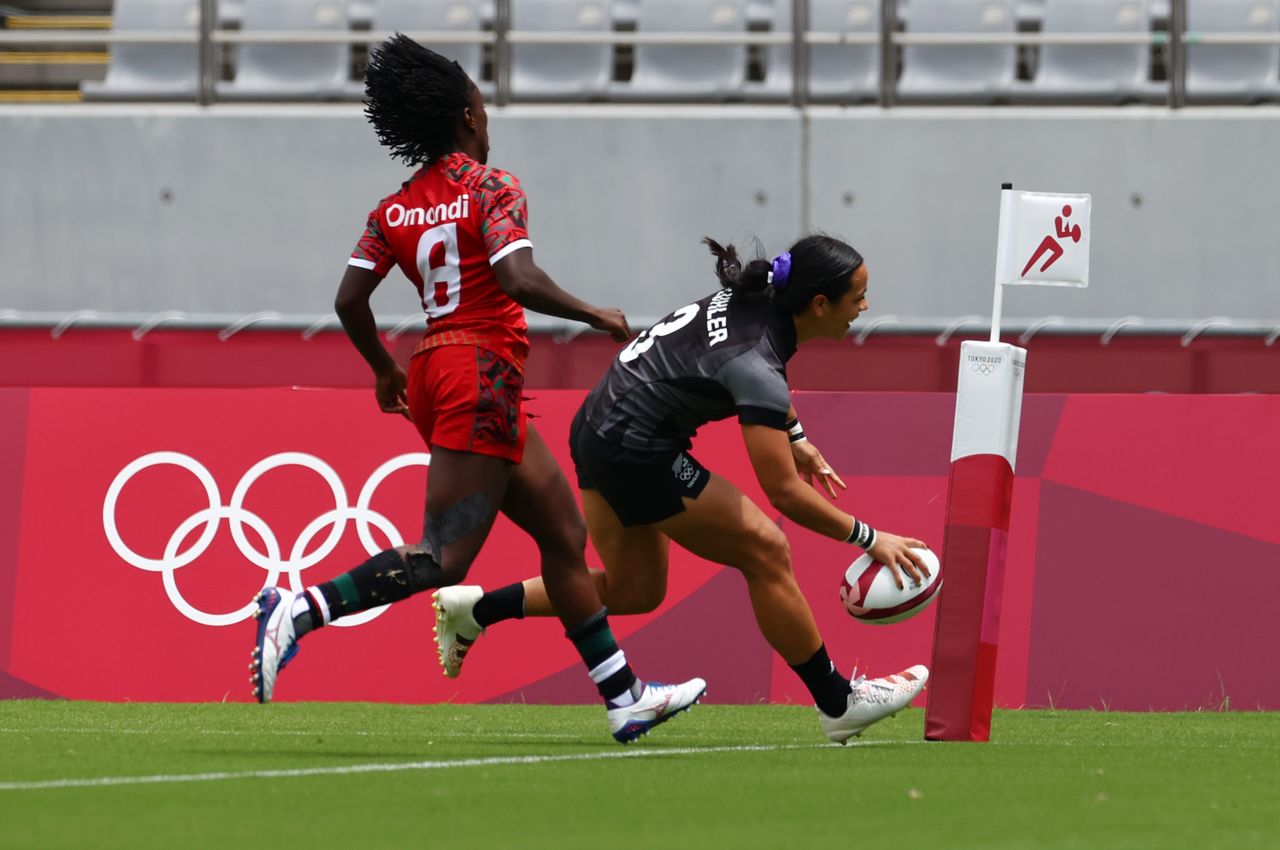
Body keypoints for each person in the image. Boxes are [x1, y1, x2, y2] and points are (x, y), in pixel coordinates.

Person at [248, 35, 705, 744]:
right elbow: (516, 278)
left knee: (563, 536)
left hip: (440, 370)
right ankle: (299, 610)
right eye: (483, 107)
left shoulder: (394, 208)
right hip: (479, 372)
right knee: (443, 559)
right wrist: (592, 312)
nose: (488, 119)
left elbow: (348, 300)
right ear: (466, 115)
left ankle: (625, 699)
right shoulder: (492, 187)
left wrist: (383, 369)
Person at [433, 234, 933, 744]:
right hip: (635, 448)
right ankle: (838, 701)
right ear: (821, 303)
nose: (865, 307)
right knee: (766, 549)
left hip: (597, 426)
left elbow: (764, 374)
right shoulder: (756, 359)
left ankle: (476, 610)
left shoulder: (761, 294)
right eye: (858, 297)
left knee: (635, 590)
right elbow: (783, 492)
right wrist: (871, 538)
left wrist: (796, 435)